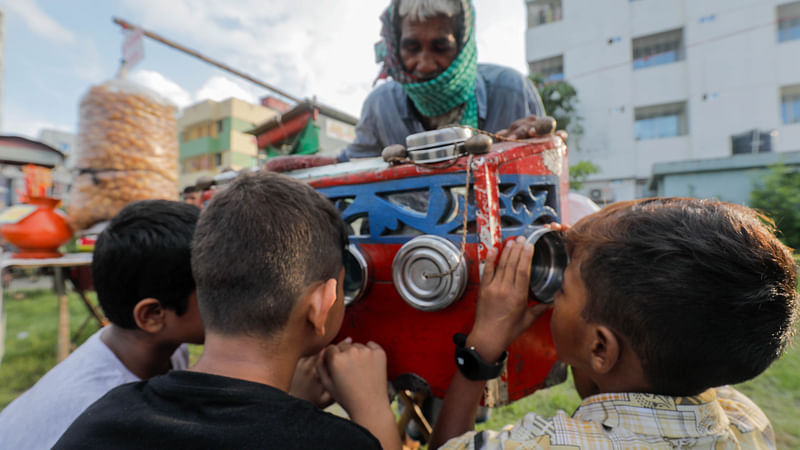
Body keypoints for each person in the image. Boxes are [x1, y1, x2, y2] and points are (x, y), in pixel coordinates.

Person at [54, 171, 401, 450]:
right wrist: (373, 413)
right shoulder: (338, 442)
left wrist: (286, 402)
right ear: (321, 305)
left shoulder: (106, 414)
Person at [429, 198, 798, 449]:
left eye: (563, 289)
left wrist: (481, 352)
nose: (553, 293)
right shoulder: (744, 419)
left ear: (600, 347)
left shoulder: (544, 443)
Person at [0, 200, 205, 449]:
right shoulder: (99, 416)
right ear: (152, 315)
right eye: (213, 288)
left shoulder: (165, 349)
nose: (231, 297)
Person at [264, 0, 546, 172]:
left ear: (463, 46)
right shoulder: (379, 105)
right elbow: (350, 165)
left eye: (440, 47)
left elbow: (545, 174)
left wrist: (533, 147)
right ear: (395, 49)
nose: (424, 64)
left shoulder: (511, 91)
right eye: (411, 47)